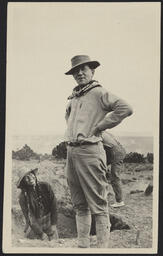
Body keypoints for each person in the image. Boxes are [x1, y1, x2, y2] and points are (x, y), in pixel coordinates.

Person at [64, 55, 133, 248]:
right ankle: (82, 245)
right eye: (75, 71)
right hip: (72, 153)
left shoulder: (98, 92)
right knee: (79, 204)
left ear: (92, 71)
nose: (79, 73)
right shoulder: (74, 96)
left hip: (90, 151)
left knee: (99, 205)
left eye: (83, 69)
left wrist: (100, 126)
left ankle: (102, 249)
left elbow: (125, 108)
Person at [17, 166, 58, 241]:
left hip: (48, 221)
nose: (30, 178)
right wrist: (41, 234)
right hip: (35, 226)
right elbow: (30, 218)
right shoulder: (23, 197)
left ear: (34, 175)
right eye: (26, 177)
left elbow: (54, 205)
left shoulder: (46, 186)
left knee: (54, 243)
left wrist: (54, 224)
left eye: (31, 174)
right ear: (23, 182)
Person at [102, 131, 126, 207]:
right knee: (102, 170)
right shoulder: (105, 132)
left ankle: (119, 201)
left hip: (115, 152)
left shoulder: (97, 133)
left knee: (115, 176)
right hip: (118, 150)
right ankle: (104, 193)